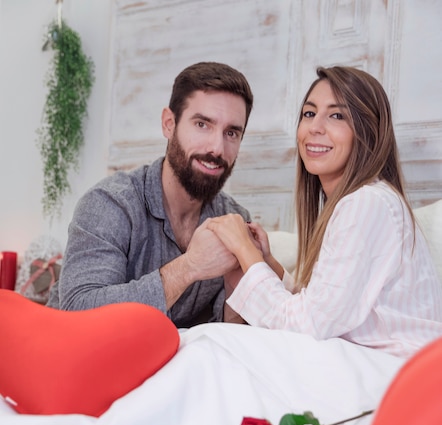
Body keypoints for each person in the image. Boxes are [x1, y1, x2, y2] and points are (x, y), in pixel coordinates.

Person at [206, 65, 442, 358]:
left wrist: (244, 250)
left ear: (367, 132)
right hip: (373, 366)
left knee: (209, 346)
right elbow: (323, 308)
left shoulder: (367, 204)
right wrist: (267, 262)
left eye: (337, 115)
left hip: (391, 376)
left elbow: (308, 326)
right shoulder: (361, 203)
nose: (315, 127)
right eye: (309, 113)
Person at [47, 62, 254, 327]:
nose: (217, 147)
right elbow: (79, 310)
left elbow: (225, 335)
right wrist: (189, 267)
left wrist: (239, 284)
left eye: (231, 133)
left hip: (170, 365)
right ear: (169, 124)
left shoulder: (234, 219)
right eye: (202, 124)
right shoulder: (109, 204)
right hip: (74, 358)